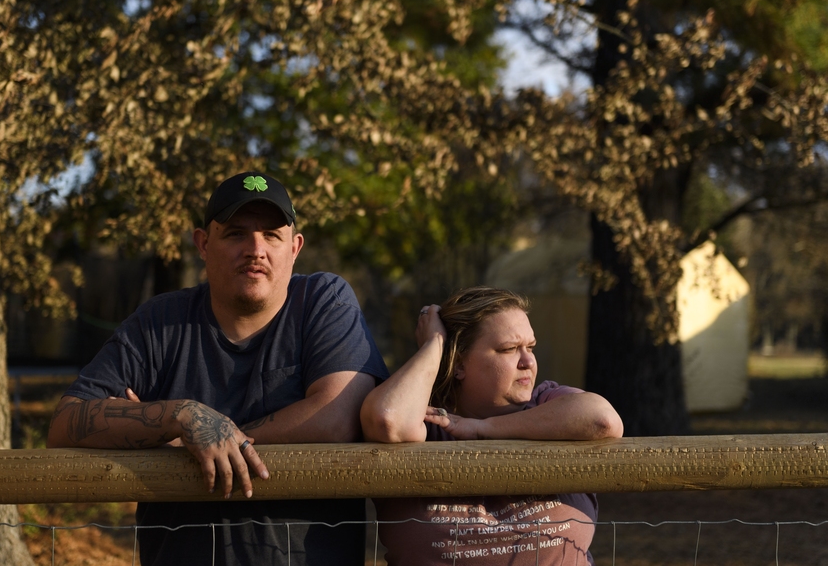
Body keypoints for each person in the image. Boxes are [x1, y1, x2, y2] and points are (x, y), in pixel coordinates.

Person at [48, 171, 389, 566]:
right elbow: (65, 421)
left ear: (294, 248)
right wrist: (182, 416)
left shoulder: (322, 302)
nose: (255, 249)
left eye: (272, 235)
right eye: (236, 234)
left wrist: (200, 443)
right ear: (203, 244)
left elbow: (336, 417)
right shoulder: (160, 322)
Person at [360, 287, 623, 566]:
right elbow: (388, 420)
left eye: (530, 347)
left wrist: (484, 428)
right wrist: (434, 343)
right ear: (459, 363)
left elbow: (601, 420)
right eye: (509, 349)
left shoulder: (547, 402)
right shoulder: (426, 419)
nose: (528, 362)